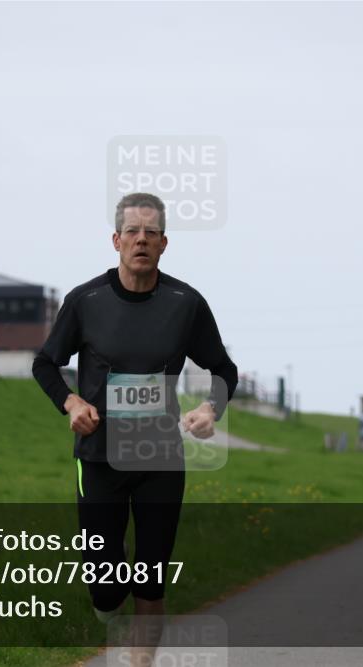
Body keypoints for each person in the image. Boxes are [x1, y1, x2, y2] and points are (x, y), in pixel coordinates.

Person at [32, 193, 238, 656]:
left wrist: (211, 409)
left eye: (151, 232)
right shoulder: (86, 300)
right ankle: (110, 598)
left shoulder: (186, 304)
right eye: (132, 231)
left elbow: (224, 370)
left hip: (160, 459)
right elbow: (45, 363)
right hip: (99, 458)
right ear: (116, 240)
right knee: (106, 588)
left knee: (150, 579)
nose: (141, 239)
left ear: (164, 243)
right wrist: (70, 402)